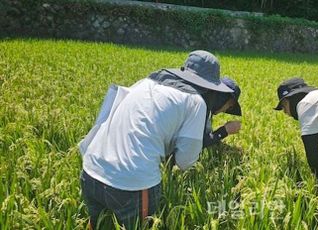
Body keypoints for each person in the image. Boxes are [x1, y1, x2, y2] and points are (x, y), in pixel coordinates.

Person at [79, 50, 242, 229]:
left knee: (96, 223)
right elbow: (185, 162)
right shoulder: (195, 102)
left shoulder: (147, 82)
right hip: (131, 184)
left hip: (90, 170)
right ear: (211, 88)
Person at [274, 77, 318, 181]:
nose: (285, 112)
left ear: (287, 101)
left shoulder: (305, 104)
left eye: (283, 107)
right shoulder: (316, 97)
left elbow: (313, 155)